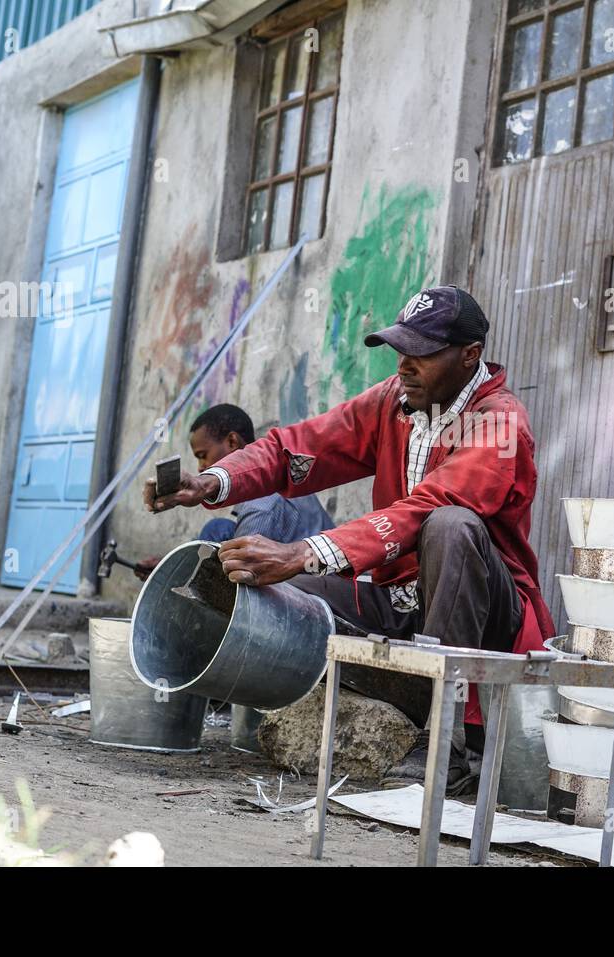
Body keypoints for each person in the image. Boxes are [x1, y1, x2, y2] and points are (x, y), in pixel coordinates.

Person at [145, 286, 553, 794]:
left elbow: (427, 508)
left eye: (422, 354)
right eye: (401, 350)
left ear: (470, 356)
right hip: (402, 601)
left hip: (485, 614)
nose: (405, 365)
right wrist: (213, 481)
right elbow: (293, 447)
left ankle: (449, 744)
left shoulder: (500, 421)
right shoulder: (394, 401)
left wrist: (301, 553)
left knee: (450, 525)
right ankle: (255, 708)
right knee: (266, 587)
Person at [133, 404, 333, 581]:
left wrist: (177, 578)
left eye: (203, 456)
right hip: (299, 564)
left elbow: (242, 574)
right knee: (218, 529)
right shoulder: (267, 478)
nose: (201, 467)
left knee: (225, 569)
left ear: (232, 442)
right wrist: (169, 568)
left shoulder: (263, 500)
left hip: (316, 589)